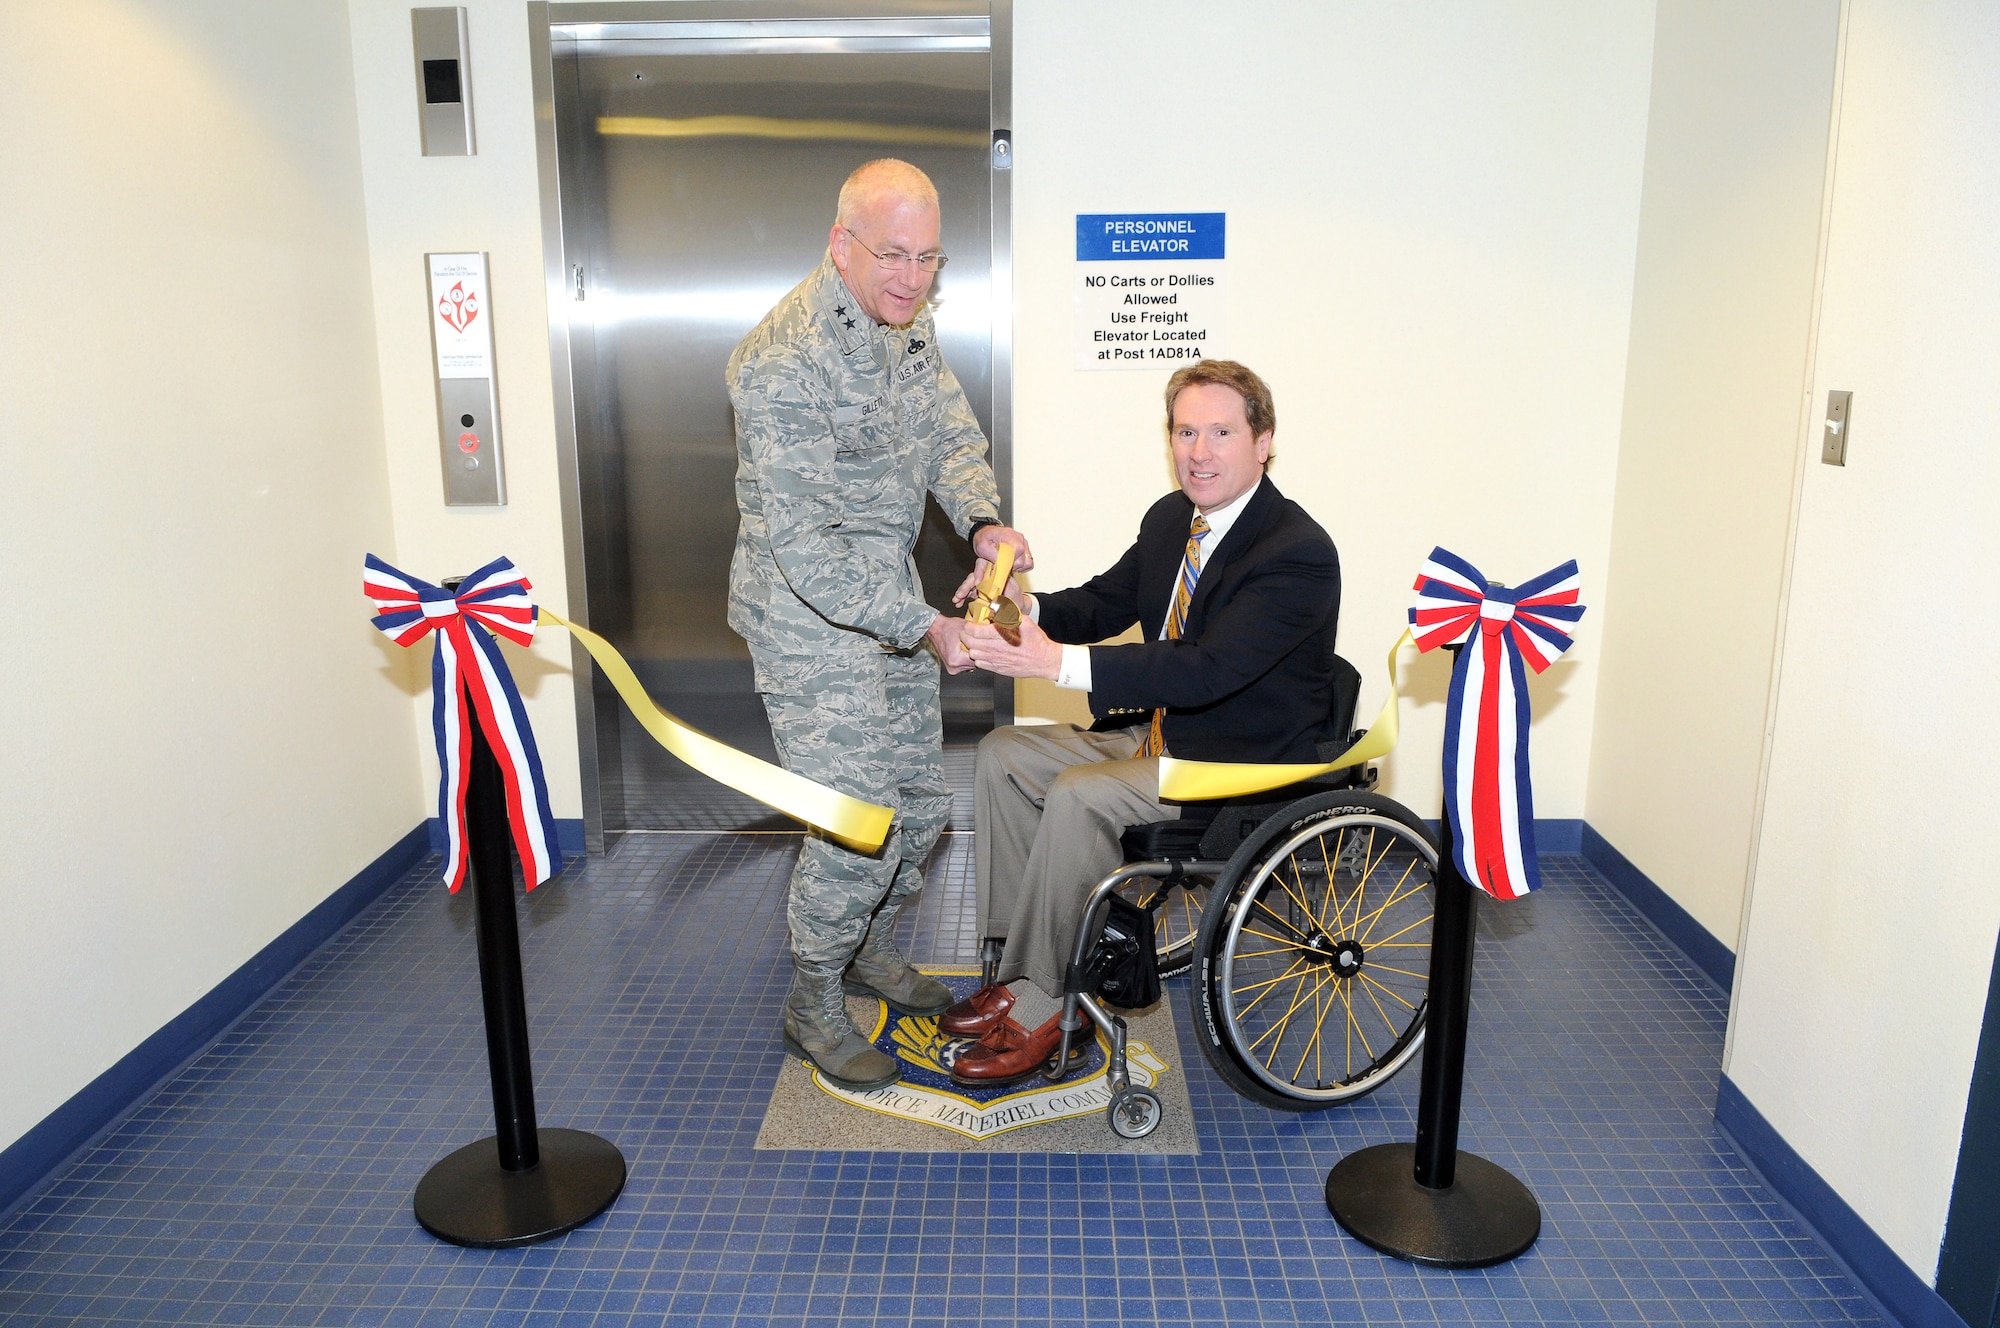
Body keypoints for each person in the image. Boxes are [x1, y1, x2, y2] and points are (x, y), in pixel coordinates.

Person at [726, 159, 1032, 1091]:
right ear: (841, 244)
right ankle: (814, 996)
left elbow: (947, 433)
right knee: (860, 821)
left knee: (923, 806)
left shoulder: (906, 329)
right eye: (894, 254)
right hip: (807, 618)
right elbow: (809, 551)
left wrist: (983, 520)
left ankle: (871, 953)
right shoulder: (782, 362)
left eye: (929, 258)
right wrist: (927, 625)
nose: (912, 276)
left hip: (886, 602)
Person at [951, 359, 1340, 1084]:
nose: (1199, 451)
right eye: (1186, 431)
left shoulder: (1297, 553)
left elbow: (1209, 669)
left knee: (1079, 790)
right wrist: (1021, 611)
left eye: (1221, 431)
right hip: (1162, 734)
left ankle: (1049, 1009)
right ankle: (1013, 967)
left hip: (1235, 762)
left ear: (1264, 442)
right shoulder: (1173, 520)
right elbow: (1105, 601)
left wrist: (1056, 665)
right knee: (1003, 752)